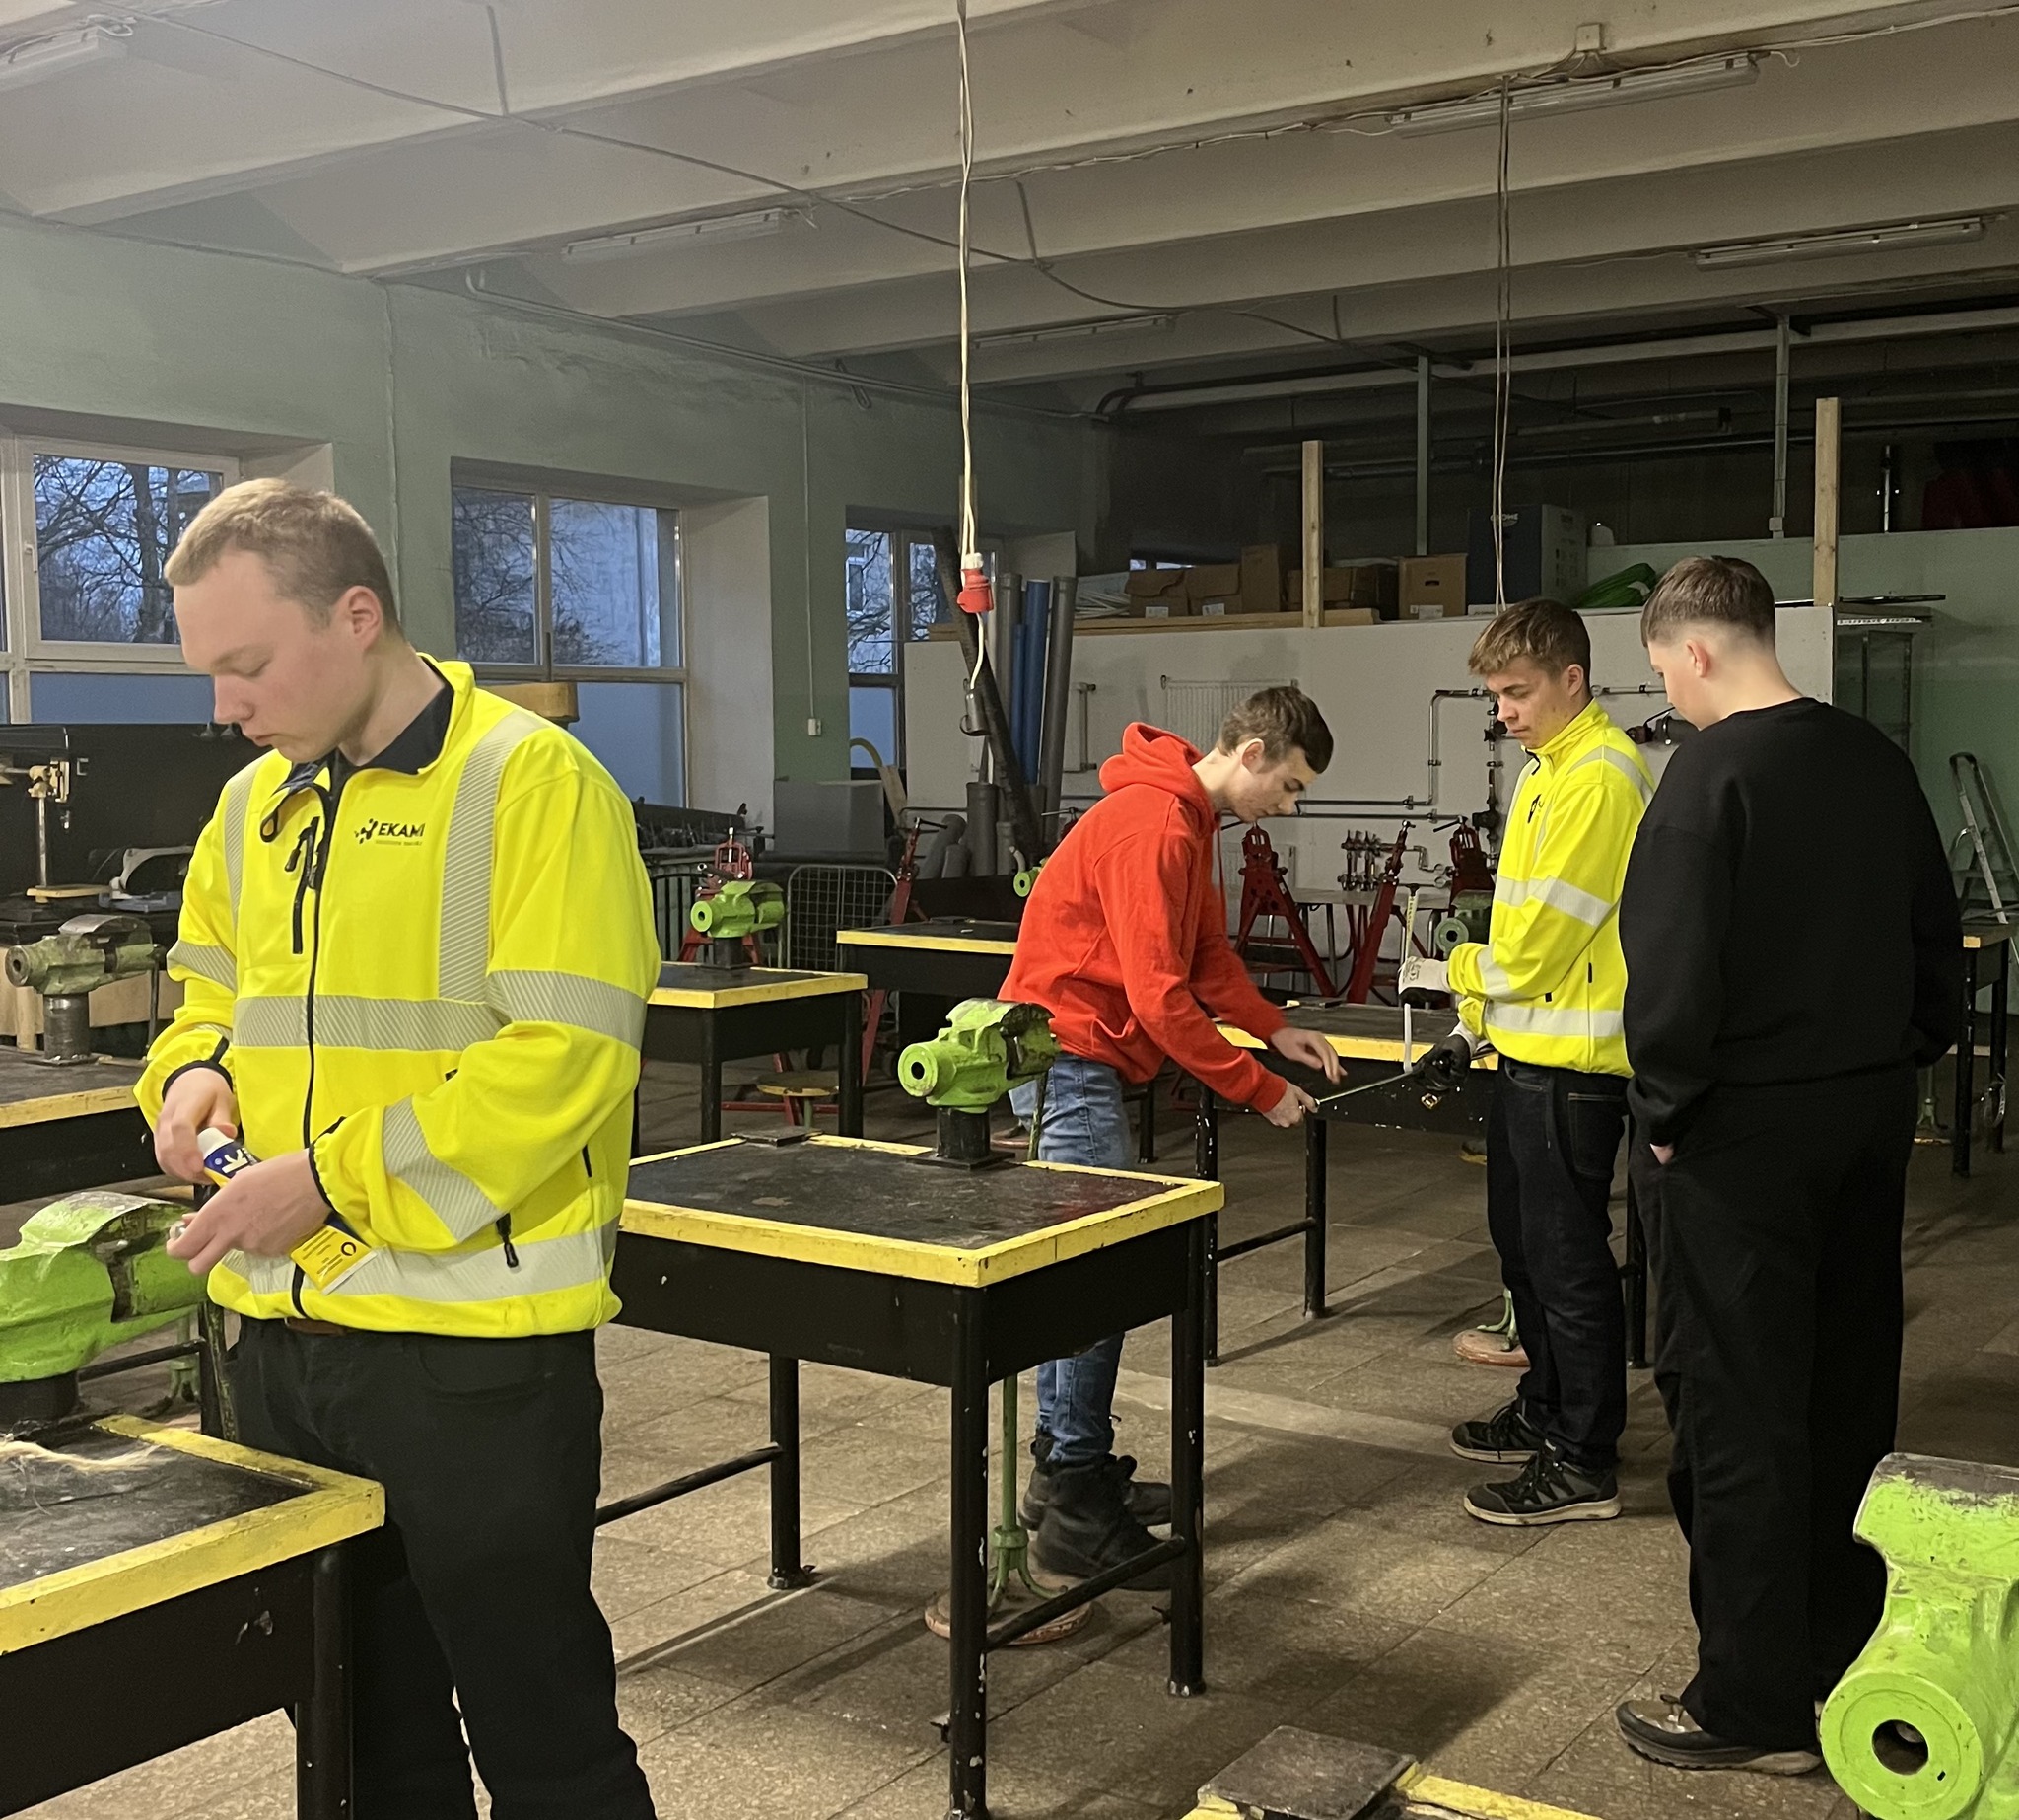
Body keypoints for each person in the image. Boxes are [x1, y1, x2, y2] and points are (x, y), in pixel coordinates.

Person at [142, 479, 660, 1820]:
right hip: (283, 1348)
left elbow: (564, 1059)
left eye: (249, 664)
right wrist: (193, 1072)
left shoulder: (531, 784)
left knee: (545, 1740)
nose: (227, 705)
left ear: (357, 615)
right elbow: (206, 995)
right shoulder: (252, 808)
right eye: (210, 674)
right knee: (364, 1736)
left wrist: (326, 1181)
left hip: (468, 1358)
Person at [1613, 556, 1960, 1776]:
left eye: (1662, 671)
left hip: (1738, 1137)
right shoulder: (1871, 760)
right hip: (1864, 1115)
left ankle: (1751, 1703)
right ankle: (1837, 1649)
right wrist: (1901, 1056)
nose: (1668, 693)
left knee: (1737, 1407)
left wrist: (1664, 1111)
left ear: (1694, 650)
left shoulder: (1708, 776)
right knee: (1845, 1387)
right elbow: (1934, 938)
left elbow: (1669, 969)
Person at [1002, 686, 1344, 1583]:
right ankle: (1075, 1508)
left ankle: (1060, 1473)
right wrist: (1257, 1089)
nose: (1289, 806)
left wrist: (1273, 1030)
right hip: (1065, 1060)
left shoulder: (1190, 819)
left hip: (1083, 1060)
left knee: (1089, 1273)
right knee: (1098, 1278)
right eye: (1292, 786)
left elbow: (1204, 960)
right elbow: (1160, 999)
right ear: (1254, 753)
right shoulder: (1156, 823)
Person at [1401, 598, 1652, 1526]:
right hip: (1527, 1052)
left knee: (1567, 1260)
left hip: (1574, 1066)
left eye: (1518, 692)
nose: (1504, 712)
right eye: (1496, 696)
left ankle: (1583, 1458)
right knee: (1524, 1248)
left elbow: (1538, 947)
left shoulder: (1599, 778)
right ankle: (1546, 1408)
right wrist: (1477, 1021)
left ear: (1571, 680)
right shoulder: (1550, 769)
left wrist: (1453, 971)